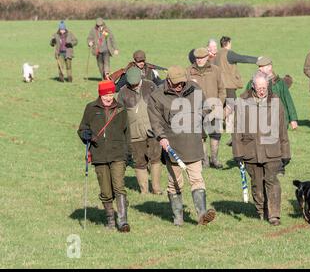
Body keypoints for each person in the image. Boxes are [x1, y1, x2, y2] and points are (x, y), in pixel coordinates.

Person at [148, 65, 216, 226]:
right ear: (168, 81)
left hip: (193, 143)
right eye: (177, 83)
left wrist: (201, 116)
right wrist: (161, 137)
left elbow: (206, 107)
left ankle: (202, 215)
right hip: (173, 145)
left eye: (182, 82)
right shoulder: (157, 96)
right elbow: (155, 120)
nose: (180, 85)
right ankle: (178, 218)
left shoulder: (194, 88)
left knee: (197, 179)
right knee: (175, 183)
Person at [232, 71, 291, 226]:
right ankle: (261, 211)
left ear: (268, 86)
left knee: (272, 181)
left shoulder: (276, 101)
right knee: (257, 185)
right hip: (250, 151)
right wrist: (238, 153)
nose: (262, 90)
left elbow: (282, 129)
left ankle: (274, 215)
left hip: (272, 151)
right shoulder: (242, 101)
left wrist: (286, 152)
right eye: (259, 87)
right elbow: (237, 129)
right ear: (253, 86)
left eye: (264, 87)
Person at [78, 80, 131, 232]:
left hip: (118, 153)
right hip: (99, 154)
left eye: (111, 94)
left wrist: (128, 153)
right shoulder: (91, 108)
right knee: (106, 191)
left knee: (119, 187)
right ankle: (110, 221)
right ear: (100, 95)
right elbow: (82, 129)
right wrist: (85, 134)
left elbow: (127, 132)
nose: (109, 98)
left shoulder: (121, 109)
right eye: (105, 95)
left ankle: (122, 222)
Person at [117, 66, 163, 195]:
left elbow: (160, 105)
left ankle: (156, 189)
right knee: (139, 162)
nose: (133, 85)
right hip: (134, 133)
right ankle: (144, 191)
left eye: (135, 83)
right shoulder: (123, 92)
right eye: (131, 83)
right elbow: (119, 114)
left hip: (153, 130)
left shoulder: (151, 86)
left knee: (155, 159)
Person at [186, 47, 226, 169]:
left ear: (207, 57)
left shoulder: (216, 70)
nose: (199, 60)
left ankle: (214, 159)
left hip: (214, 108)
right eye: (197, 58)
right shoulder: (188, 71)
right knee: (200, 136)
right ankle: (204, 161)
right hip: (197, 110)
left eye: (202, 58)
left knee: (215, 135)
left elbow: (222, 90)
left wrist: (219, 104)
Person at [246, 57, 298, 130]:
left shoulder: (280, 83)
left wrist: (293, 119)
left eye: (261, 67)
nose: (259, 69)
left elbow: (288, 100)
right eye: (259, 67)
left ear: (269, 67)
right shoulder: (252, 83)